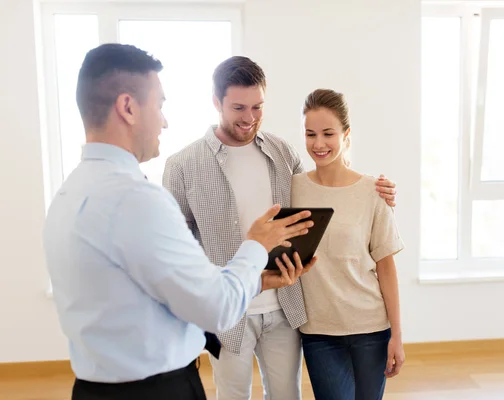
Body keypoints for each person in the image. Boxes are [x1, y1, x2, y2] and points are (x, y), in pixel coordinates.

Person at [42, 43, 315, 400]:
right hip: (157, 388)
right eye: (159, 105)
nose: (164, 119)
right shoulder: (137, 198)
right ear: (127, 107)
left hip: (97, 386)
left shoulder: (69, 193)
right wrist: (256, 244)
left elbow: (166, 283)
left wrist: (259, 279)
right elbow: (216, 306)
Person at [163, 56, 398, 400]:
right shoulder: (183, 165)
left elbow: (324, 184)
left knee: (288, 395)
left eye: (257, 107)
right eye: (238, 108)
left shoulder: (282, 152)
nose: (249, 118)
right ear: (216, 102)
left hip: (285, 308)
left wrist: (376, 188)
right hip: (229, 311)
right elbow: (176, 248)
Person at [292, 89, 405, 400]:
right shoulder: (293, 189)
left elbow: (385, 265)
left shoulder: (373, 191)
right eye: (310, 134)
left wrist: (397, 334)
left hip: (370, 328)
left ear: (346, 134)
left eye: (328, 133)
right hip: (319, 332)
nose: (318, 144)